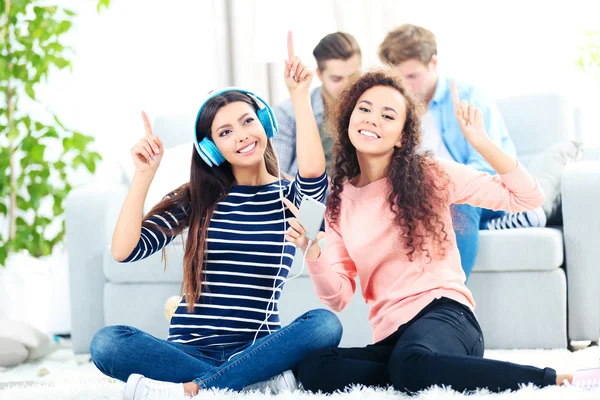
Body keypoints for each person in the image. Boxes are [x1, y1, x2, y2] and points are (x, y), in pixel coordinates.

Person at [284, 70, 599, 394]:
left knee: (410, 363)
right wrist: (314, 251)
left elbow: (527, 197)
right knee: (315, 367)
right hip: (392, 339)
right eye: (364, 109)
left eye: (387, 115)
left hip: (447, 317)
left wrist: (482, 142)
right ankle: (427, 372)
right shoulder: (337, 202)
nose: (372, 119)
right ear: (349, 118)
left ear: (402, 137)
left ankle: (559, 379)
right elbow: (338, 297)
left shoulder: (430, 174)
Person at [89, 32, 342, 400]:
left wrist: (300, 98)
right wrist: (144, 175)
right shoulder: (200, 198)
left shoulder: (291, 197)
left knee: (324, 325)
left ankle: (194, 389)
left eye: (246, 122)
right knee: (107, 343)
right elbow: (124, 250)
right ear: (213, 149)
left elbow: (315, 178)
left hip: (258, 346)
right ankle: (247, 383)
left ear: (265, 123)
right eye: (225, 132)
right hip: (190, 349)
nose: (241, 136)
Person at [378, 24, 546, 278]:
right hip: (424, 197)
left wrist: (444, 189)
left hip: (467, 191)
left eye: (413, 76)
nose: (406, 87)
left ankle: (452, 304)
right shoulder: (396, 108)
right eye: (399, 79)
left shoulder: (469, 97)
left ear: (433, 63)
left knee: (459, 204)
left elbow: (484, 166)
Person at [273, 31, 362, 177]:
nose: (347, 86)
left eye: (353, 76)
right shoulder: (288, 113)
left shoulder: (371, 110)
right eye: (336, 79)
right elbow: (276, 177)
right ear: (319, 74)